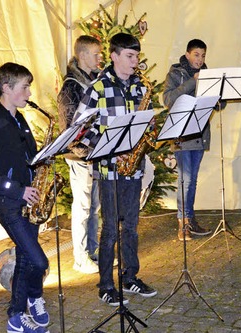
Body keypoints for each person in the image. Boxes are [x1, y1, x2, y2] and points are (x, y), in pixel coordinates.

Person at [74, 32, 157, 306]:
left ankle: (130, 277)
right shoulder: (98, 88)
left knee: (131, 226)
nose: (136, 62)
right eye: (130, 56)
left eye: (137, 56)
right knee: (110, 228)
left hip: (133, 168)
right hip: (109, 169)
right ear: (114, 56)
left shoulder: (140, 88)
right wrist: (104, 143)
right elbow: (78, 130)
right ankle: (106, 285)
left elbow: (149, 124)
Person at [0, 62, 50, 333]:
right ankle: (33, 296)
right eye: (25, 87)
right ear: (6, 88)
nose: (30, 93)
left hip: (28, 200)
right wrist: (18, 190)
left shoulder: (19, 118)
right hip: (9, 203)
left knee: (26, 258)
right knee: (39, 261)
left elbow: (24, 158)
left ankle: (16, 317)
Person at [57, 35, 102, 274]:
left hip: (94, 154)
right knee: (83, 208)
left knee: (93, 208)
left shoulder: (95, 80)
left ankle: (93, 253)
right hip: (80, 157)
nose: (99, 59)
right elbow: (69, 128)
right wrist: (86, 153)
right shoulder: (71, 85)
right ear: (82, 55)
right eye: (96, 54)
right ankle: (80, 257)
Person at [162, 38, 215, 241]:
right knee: (185, 180)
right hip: (181, 134)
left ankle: (190, 220)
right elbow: (168, 100)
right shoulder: (175, 73)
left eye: (202, 56)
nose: (200, 59)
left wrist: (218, 97)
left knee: (192, 181)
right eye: (196, 55)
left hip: (200, 134)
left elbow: (215, 105)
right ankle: (182, 224)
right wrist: (194, 81)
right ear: (187, 55)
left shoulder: (208, 75)